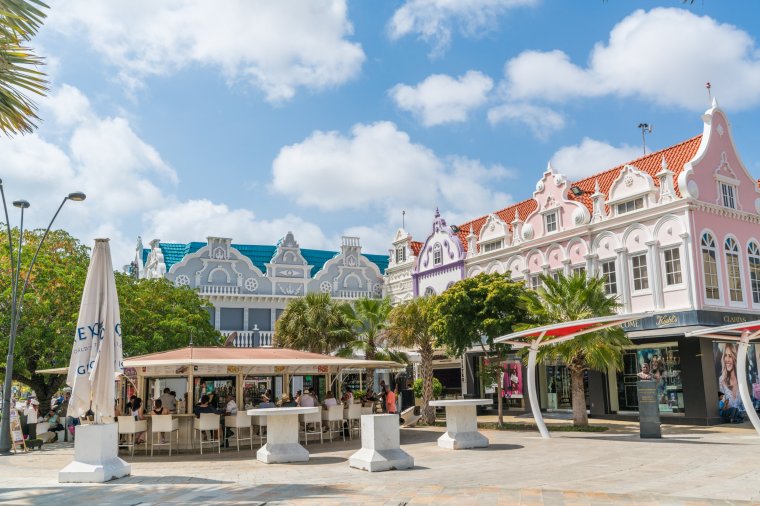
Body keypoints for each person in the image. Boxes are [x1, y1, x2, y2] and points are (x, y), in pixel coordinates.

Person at [719, 344, 742, 409]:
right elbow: (722, 406)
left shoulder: (743, 379)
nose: (727, 359)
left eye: (730, 356)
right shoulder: (721, 380)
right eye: (725, 355)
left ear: (735, 358)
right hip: (729, 418)